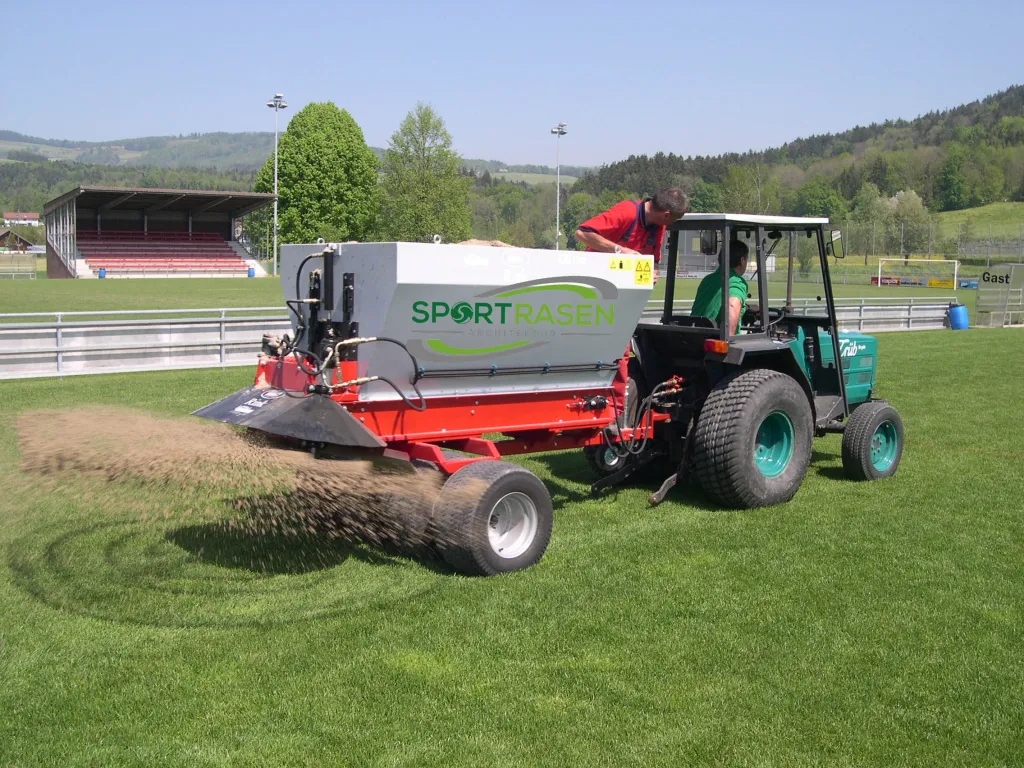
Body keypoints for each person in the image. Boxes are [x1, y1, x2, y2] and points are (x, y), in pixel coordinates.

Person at [574, 188, 688, 260]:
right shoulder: (627, 211)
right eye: (674, 220)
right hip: (596, 277)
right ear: (666, 215)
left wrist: (653, 272)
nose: (671, 223)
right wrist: (620, 250)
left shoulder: (659, 224)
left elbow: (654, 260)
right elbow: (582, 233)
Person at [690, 240, 749, 335]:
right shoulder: (736, 282)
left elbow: (716, 303)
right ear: (742, 260)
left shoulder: (707, 280)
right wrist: (728, 340)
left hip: (694, 336)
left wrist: (747, 307)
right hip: (716, 338)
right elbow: (732, 306)